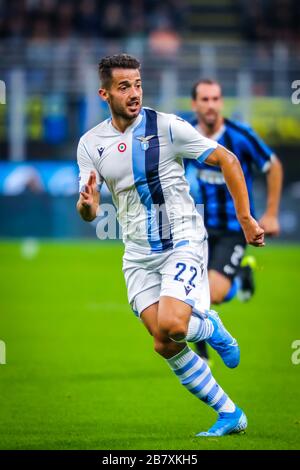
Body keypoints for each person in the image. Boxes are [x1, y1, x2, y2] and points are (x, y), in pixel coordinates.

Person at [76, 54, 264, 437]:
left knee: (174, 323)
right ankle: (230, 414)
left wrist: (246, 218)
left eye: (138, 84)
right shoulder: (90, 144)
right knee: (163, 342)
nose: (134, 93)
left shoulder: (167, 126)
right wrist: (87, 205)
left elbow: (228, 160)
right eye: (124, 87)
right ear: (104, 93)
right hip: (137, 254)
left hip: (181, 239)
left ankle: (210, 328)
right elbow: (89, 211)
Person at [185, 79, 282, 361]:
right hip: (199, 226)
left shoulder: (240, 135)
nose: (211, 105)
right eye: (204, 99)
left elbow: (272, 165)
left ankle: (240, 277)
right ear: (194, 104)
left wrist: (272, 214)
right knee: (189, 287)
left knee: (213, 293)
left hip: (233, 229)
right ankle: (202, 344)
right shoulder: (187, 134)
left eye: (215, 99)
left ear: (221, 102)